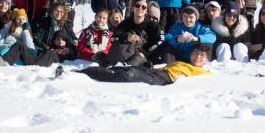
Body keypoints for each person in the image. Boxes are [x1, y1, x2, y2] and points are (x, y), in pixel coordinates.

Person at [77, 44, 212, 86]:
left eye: (202, 55)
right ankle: (80, 73)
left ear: (206, 60)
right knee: (122, 69)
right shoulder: (181, 62)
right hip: (157, 72)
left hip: (165, 79)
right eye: (196, 52)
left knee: (126, 75)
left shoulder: (203, 73)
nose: (198, 56)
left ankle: (85, 75)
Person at [97, 0, 162, 67]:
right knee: (100, 55)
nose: (140, 8)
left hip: (143, 57)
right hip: (125, 54)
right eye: (137, 5)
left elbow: (160, 41)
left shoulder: (153, 25)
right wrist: (126, 37)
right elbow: (112, 39)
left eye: (143, 7)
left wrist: (144, 53)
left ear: (146, 12)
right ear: (133, 8)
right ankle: (113, 65)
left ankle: (121, 68)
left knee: (137, 57)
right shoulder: (125, 23)